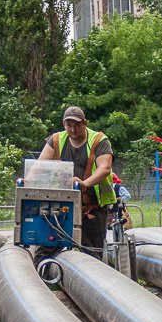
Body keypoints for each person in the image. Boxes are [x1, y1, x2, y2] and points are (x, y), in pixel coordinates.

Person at [37, 106, 116, 258]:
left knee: (93, 255)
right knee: (45, 251)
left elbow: (105, 168)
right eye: (69, 125)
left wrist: (85, 183)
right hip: (60, 207)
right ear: (63, 124)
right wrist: (27, 181)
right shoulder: (56, 140)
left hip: (91, 209)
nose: (73, 129)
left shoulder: (99, 141)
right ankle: (45, 276)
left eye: (77, 125)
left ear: (84, 123)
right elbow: (40, 166)